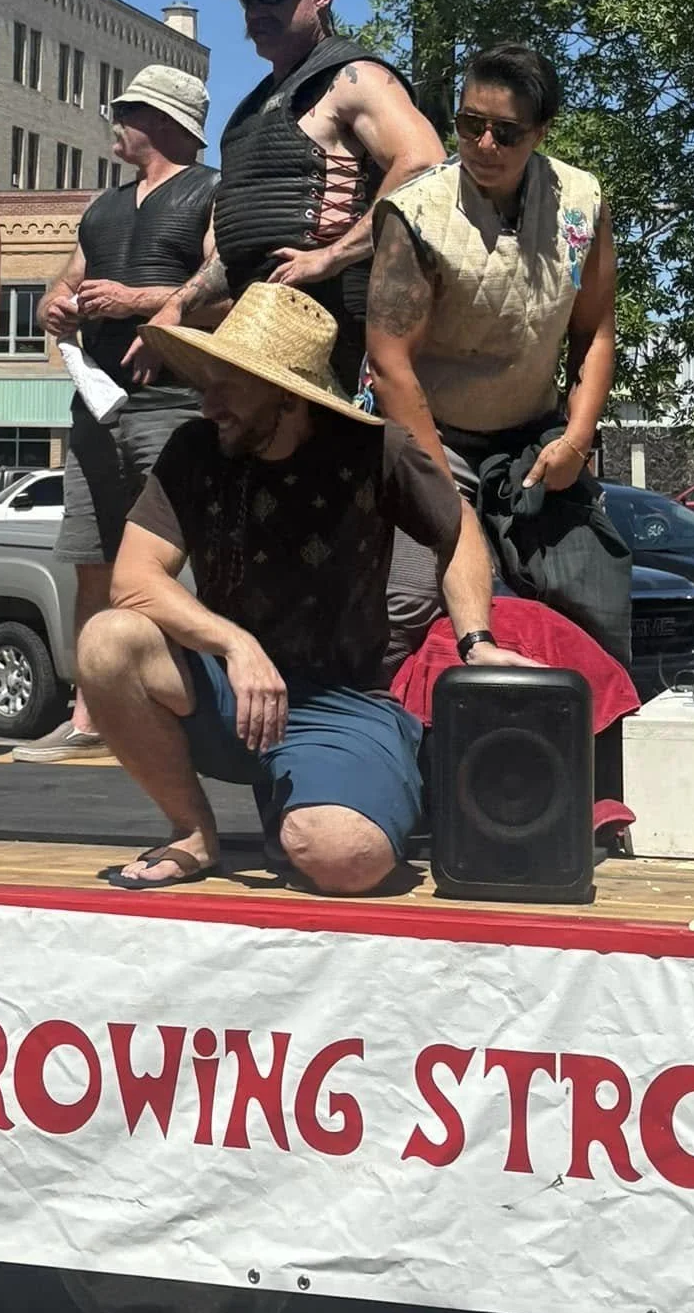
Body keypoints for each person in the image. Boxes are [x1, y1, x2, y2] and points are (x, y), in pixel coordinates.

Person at [78, 282, 508, 895]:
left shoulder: (374, 449)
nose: (208, 403)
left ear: (285, 397)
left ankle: (330, 795)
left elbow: (457, 524)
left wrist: (476, 638)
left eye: (230, 384)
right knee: (107, 640)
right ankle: (192, 832)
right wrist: (235, 645)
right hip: (228, 693)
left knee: (345, 859)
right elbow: (133, 581)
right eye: (209, 379)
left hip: (341, 702)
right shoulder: (193, 451)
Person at [364, 44, 629, 665]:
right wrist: (435, 484)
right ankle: (385, 734)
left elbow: (594, 332)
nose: (482, 143)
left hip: (535, 439)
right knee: (403, 599)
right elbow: (388, 364)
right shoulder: (414, 214)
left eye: (505, 132)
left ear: (541, 132)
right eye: (468, 123)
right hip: (432, 433)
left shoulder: (582, 202)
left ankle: (590, 745)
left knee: (593, 594)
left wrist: (577, 438)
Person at [142, 0, 444, 394]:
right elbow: (239, 244)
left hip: (342, 336)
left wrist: (331, 256)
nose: (257, 11)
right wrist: (179, 304)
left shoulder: (351, 78)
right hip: (263, 336)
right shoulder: (248, 110)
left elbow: (424, 163)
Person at [23, 66, 219, 762]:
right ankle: (92, 714)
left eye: (126, 109)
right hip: (94, 406)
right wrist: (53, 300)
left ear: (162, 120)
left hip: (172, 403)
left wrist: (137, 303)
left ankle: (180, 710)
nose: (116, 120)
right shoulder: (104, 207)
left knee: (164, 563)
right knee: (91, 562)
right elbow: (68, 277)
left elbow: (227, 292)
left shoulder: (210, 193)